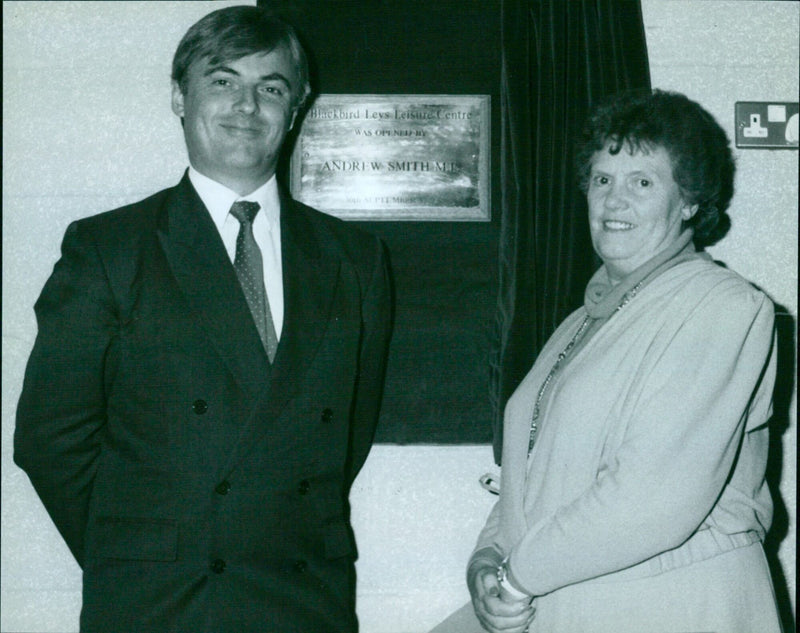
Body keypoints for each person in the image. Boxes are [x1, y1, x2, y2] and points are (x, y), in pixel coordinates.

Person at [14, 6, 392, 633]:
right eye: (222, 81)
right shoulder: (110, 249)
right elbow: (49, 440)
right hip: (158, 604)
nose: (247, 106)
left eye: (270, 87)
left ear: (296, 107)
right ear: (178, 98)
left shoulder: (356, 260)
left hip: (304, 600)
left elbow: (348, 433)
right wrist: (137, 549)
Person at [431, 89, 782, 633]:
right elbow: (532, 474)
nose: (614, 201)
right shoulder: (584, 320)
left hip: (673, 607)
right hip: (566, 598)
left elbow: (653, 501)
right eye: (602, 180)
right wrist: (487, 561)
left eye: (642, 182)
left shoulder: (724, 306)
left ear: (689, 201)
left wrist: (517, 576)